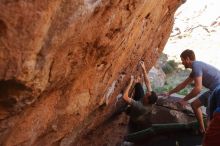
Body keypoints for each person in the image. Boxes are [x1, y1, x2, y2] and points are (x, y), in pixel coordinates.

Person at [165, 49, 220, 134]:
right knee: (194, 105)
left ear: (187, 59)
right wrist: (169, 93)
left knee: (210, 119)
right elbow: (183, 84)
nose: (182, 62)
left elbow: (198, 89)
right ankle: (202, 130)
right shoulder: (196, 68)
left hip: (217, 91)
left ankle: (208, 136)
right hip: (214, 90)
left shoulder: (196, 66)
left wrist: (184, 99)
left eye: (182, 60)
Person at [123, 61, 158, 132]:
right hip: (141, 102)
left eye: (146, 95)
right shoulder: (151, 100)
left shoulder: (140, 106)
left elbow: (125, 97)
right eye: (147, 93)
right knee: (138, 85)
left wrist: (130, 83)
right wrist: (144, 69)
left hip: (134, 113)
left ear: (147, 100)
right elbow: (148, 83)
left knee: (125, 108)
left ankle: (123, 110)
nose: (146, 93)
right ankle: (137, 84)